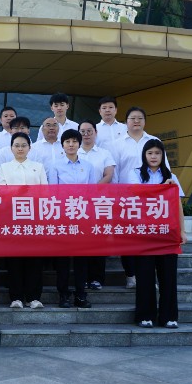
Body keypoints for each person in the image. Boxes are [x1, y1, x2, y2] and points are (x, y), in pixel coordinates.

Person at [128, 139, 187, 329]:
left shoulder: (172, 177)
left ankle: (169, 316)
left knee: (168, 276)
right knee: (144, 276)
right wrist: (163, 188)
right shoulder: (135, 174)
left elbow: (177, 206)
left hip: (166, 233)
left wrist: (182, 230)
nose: (153, 157)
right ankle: (145, 315)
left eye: (157, 153)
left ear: (163, 156)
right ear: (144, 155)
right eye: (150, 153)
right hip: (143, 233)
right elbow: (136, 195)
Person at [107, 106, 164, 289]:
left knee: (149, 239)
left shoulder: (154, 141)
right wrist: (116, 197)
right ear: (126, 122)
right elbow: (114, 172)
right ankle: (131, 275)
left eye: (140, 118)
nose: (136, 121)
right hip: (126, 199)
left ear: (145, 121)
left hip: (151, 201)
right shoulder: (117, 144)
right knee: (128, 238)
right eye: (132, 118)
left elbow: (164, 169)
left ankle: (148, 277)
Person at [47, 129, 100, 309]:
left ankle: (81, 294)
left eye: (74, 141)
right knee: (62, 260)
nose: (71, 144)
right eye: (67, 142)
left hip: (82, 217)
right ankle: (63, 294)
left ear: (79, 144)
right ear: (62, 145)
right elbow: (53, 193)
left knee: (81, 259)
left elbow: (92, 192)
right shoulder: (55, 166)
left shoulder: (88, 166)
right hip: (63, 217)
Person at [0, 132, 47, 309]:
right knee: (15, 259)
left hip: (34, 219)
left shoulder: (38, 167)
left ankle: (33, 297)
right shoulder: (4, 168)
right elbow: (1, 191)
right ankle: (16, 297)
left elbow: (44, 192)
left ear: (29, 148)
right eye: (17, 145)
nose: (20, 148)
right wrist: (20, 192)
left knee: (34, 259)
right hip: (12, 219)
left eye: (23, 145)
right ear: (11, 148)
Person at [77, 119, 116, 290]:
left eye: (89, 131)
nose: (86, 134)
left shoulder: (104, 153)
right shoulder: (73, 151)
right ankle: (83, 278)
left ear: (96, 132)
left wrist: (92, 190)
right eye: (82, 131)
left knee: (98, 239)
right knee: (81, 241)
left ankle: (97, 278)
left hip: (99, 202)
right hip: (78, 203)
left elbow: (109, 174)